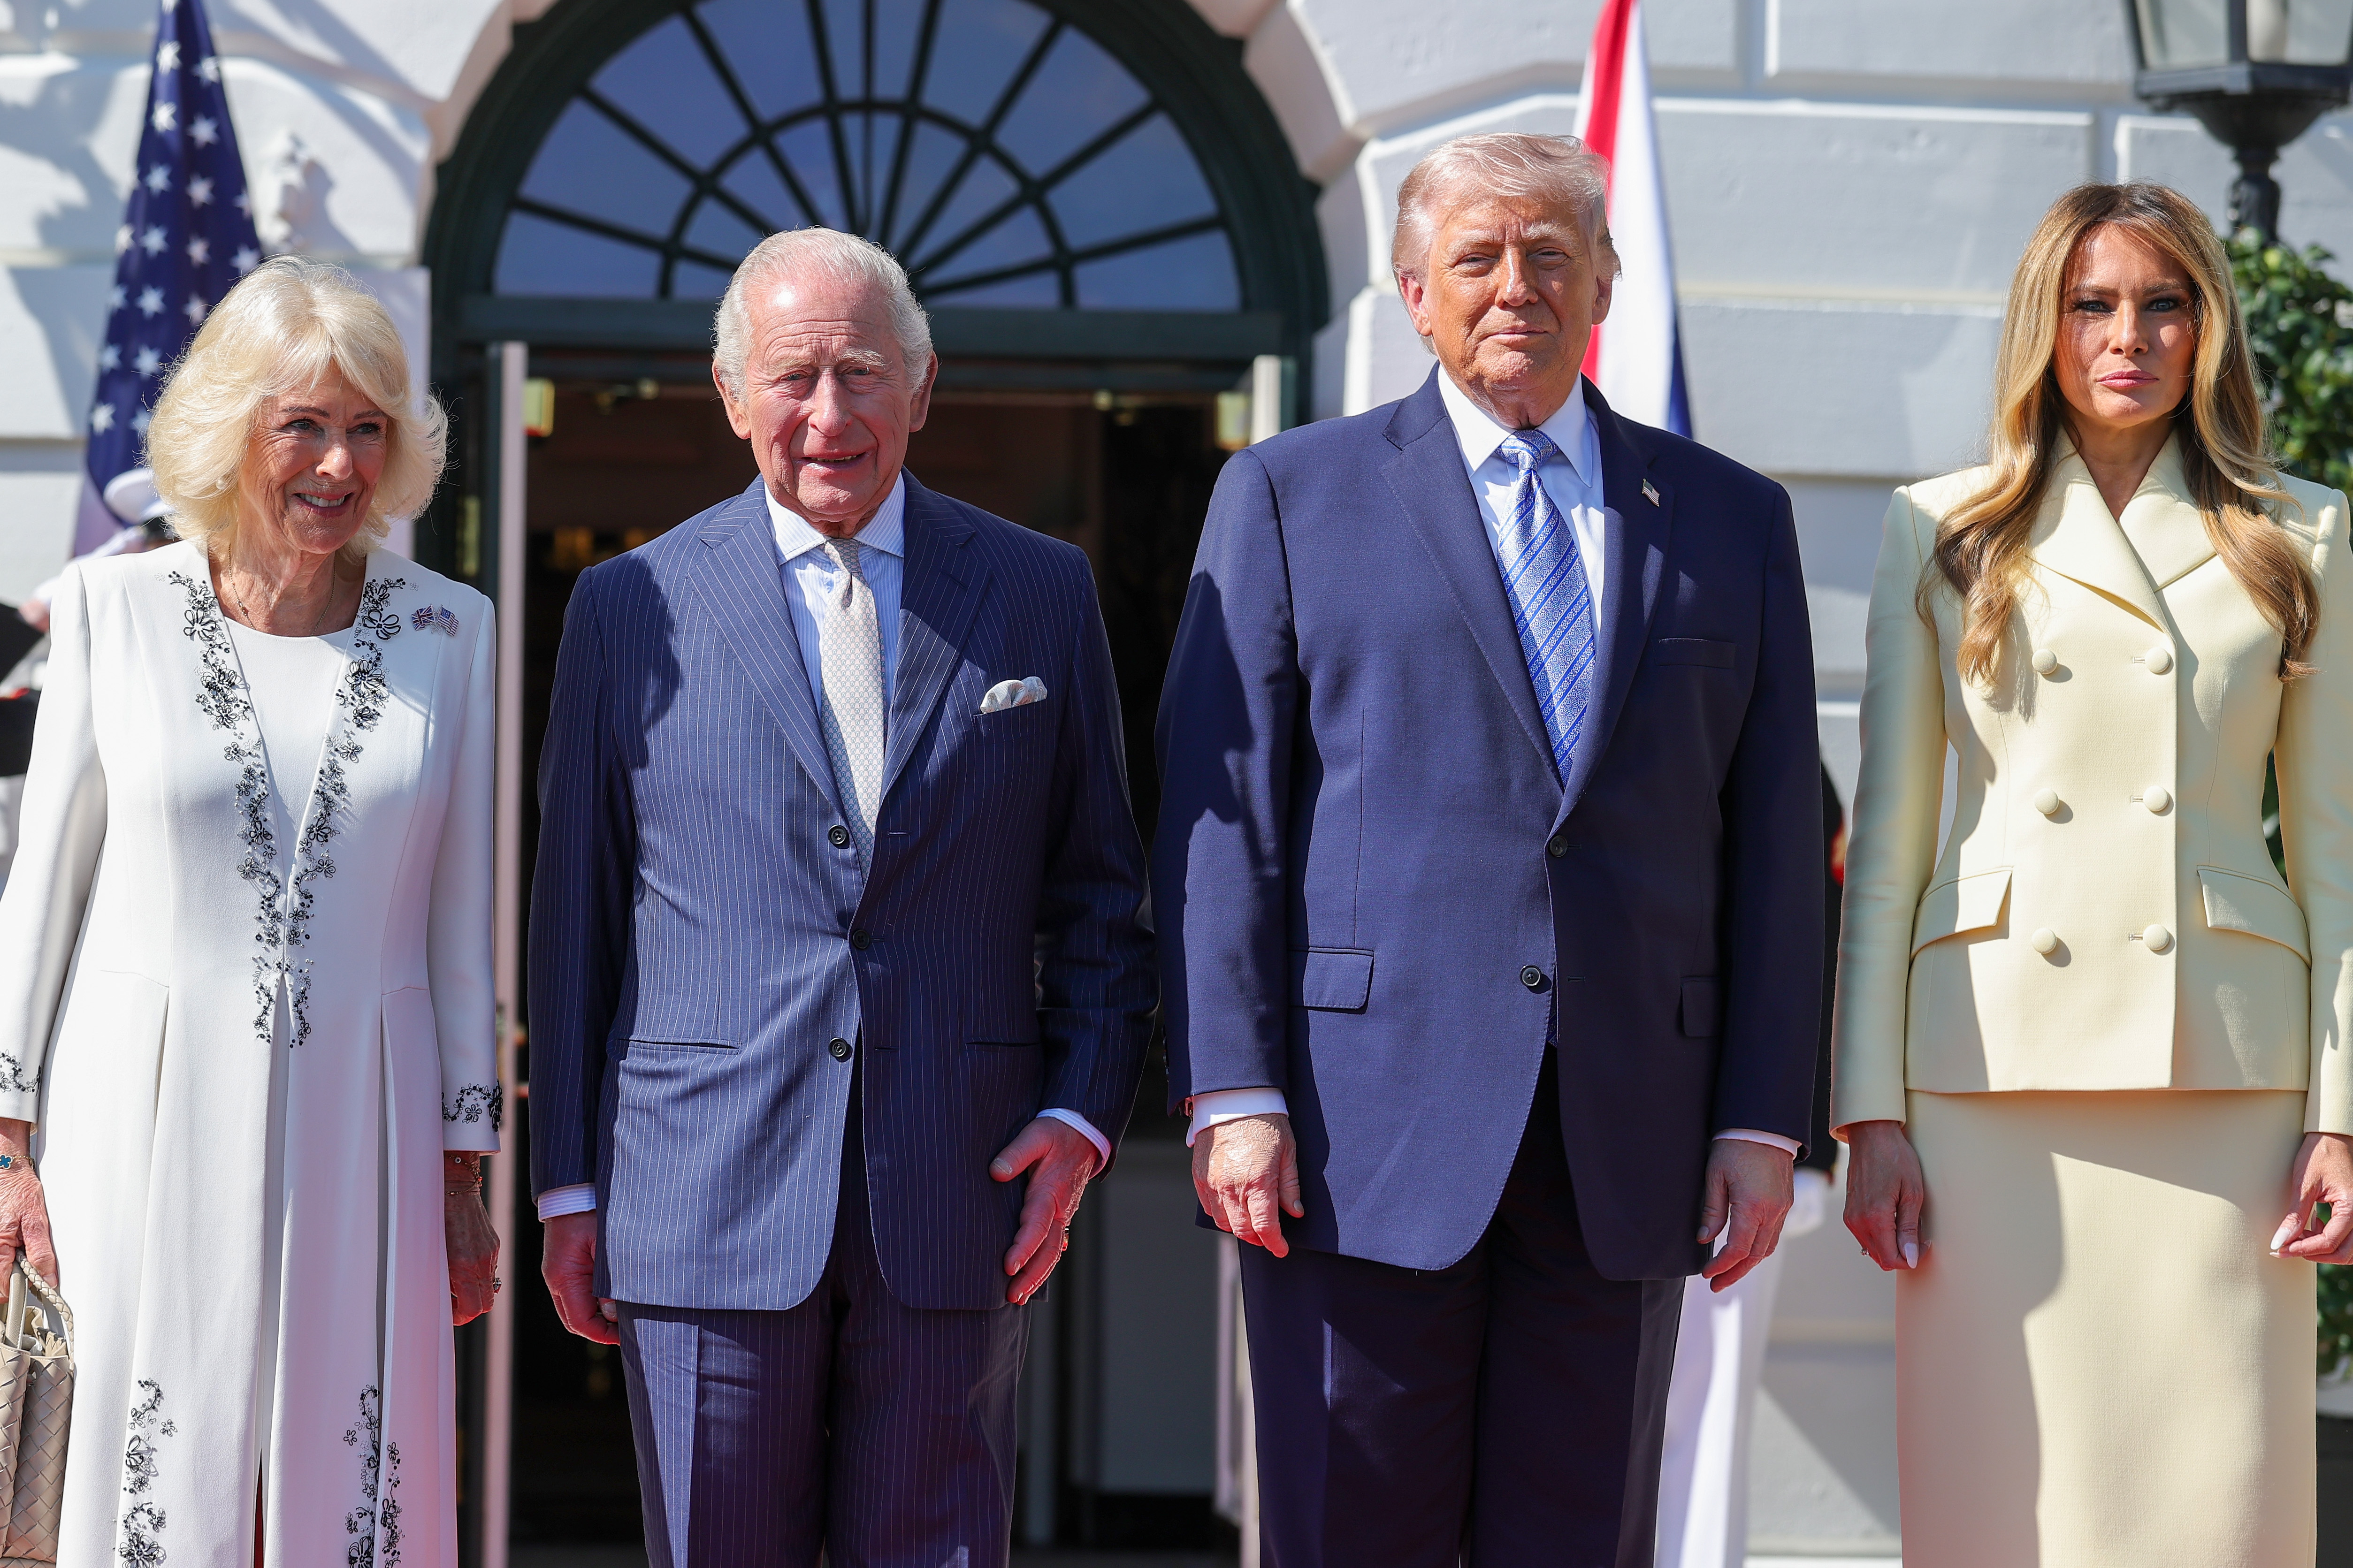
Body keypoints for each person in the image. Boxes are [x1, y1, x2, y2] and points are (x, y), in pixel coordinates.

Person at [1154, 131, 1824, 1568]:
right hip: (1352, 1139)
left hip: (1627, 1140)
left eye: (1547, 255)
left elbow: (1774, 843)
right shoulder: (1286, 494)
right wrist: (1233, 1087)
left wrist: (1762, 1118)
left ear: (1603, 284)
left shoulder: (1729, 517)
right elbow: (1224, 823)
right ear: (1413, 291)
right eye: (1475, 258)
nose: (1513, 286)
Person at [528, 227, 1154, 1568]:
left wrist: (1078, 1116)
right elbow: (576, 917)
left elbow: (1103, 895)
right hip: (699, 1193)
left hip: (955, 1185)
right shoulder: (627, 605)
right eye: (792, 376)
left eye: (862, 374)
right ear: (730, 395)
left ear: (921, 388)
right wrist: (567, 1182)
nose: (828, 415)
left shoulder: (1040, 591)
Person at [1834, 181, 2353, 1567]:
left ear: (2205, 327)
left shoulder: (2295, 532)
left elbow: (2333, 854)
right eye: (2091, 305)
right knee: (2004, 1501)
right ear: (2043, 327)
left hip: (2223, 1082)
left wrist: (2342, 1114)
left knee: (2215, 1503)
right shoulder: (1940, 526)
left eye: (2162, 304)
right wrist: (1866, 1109)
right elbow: (1888, 848)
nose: (2128, 336)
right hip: (1987, 1076)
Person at [0, 254, 500, 1565]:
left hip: (369, 1126)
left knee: (347, 1490)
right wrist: (7, 1149)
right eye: (303, 425)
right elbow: (40, 891)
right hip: (135, 1118)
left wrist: (464, 1165)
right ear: (233, 430)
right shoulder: (112, 610)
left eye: (367, 428)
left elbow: (460, 919)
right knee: (145, 1485)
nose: (338, 463)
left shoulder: (454, 631)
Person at [1653, 762, 1846, 1568]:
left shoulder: (1759, 731)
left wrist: (1800, 1143)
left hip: (1729, 1144)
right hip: (1593, 1129)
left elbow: (1809, 926)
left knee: (1704, 1416)